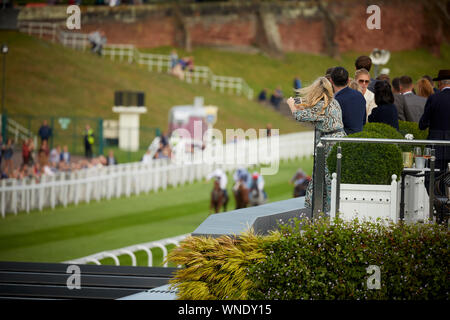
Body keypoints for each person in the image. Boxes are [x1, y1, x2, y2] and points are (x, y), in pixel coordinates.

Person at [287, 76, 346, 213]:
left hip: (329, 145)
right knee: (333, 178)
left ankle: (328, 213)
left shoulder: (321, 106)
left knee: (328, 179)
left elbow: (299, 116)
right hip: (339, 142)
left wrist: (291, 104)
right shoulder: (334, 102)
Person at [419, 69, 450, 172]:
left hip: (436, 145)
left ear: (440, 83)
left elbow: (423, 124)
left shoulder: (434, 98)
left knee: (433, 178)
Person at [330, 67, 366, 135]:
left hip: (342, 141)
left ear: (331, 80)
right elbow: (363, 121)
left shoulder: (335, 101)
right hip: (359, 138)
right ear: (348, 80)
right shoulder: (359, 96)